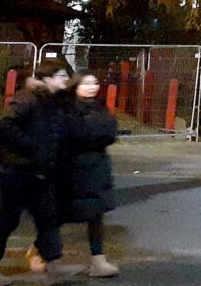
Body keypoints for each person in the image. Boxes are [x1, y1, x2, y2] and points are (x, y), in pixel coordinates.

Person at [0, 61, 82, 284]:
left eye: (66, 75)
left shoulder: (54, 103)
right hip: (16, 172)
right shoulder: (29, 99)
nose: (65, 79)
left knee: (48, 220)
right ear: (46, 78)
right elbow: (5, 124)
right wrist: (29, 146)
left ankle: (53, 266)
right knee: (7, 220)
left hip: (39, 173)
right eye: (60, 75)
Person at [58, 72, 119, 277]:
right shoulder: (67, 109)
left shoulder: (100, 108)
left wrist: (93, 137)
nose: (92, 87)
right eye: (86, 83)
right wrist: (94, 137)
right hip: (74, 167)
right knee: (63, 212)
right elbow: (75, 135)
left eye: (95, 82)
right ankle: (43, 251)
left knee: (96, 214)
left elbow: (110, 133)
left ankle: (98, 259)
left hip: (97, 167)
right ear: (75, 85)